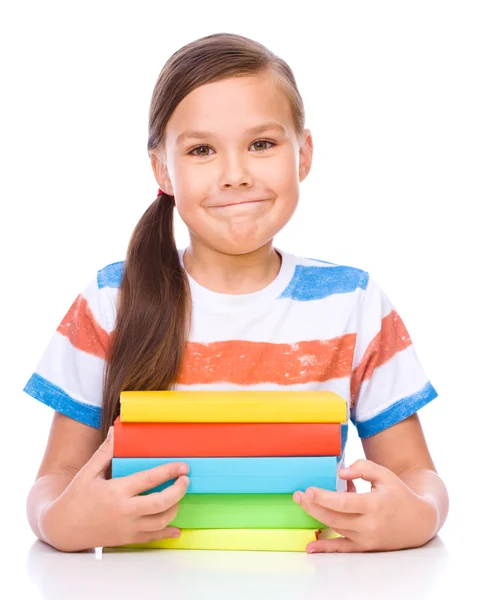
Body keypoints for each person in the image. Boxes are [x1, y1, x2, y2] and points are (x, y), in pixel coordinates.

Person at [23, 32, 449, 554]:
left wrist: (420, 516)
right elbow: (56, 479)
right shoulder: (112, 299)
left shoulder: (353, 302)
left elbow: (415, 473)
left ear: (304, 154)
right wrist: (58, 522)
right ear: (162, 170)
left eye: (262, 144)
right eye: (202, 150)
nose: (235, 175)